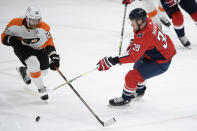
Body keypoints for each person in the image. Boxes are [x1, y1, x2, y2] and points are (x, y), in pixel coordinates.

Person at [97, 8, 176, 106]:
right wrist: (135, 43)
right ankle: (140, 90)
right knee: (137, 67)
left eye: (133, 22)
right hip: (158, 52)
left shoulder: (145, 36)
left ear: (140, 21)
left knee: (131, 76)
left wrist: (112, 61)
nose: (131, 24)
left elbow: (132, 56)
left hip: (161, 61)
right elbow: (141, 41)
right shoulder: (148, 22)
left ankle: (126, 98)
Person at [1, 6, 60, 101]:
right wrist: (13, 40)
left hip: (39, 49)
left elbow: (49, 43)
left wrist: (54, 56)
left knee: (44, 71)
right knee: (33, 64)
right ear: (27, 18)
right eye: (33, 20)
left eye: (38, 20)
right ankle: (42, 89)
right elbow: (3, 38)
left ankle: (25, 71)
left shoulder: (44, 28)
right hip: (22, 48)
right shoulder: (15, 24)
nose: (36, 23)